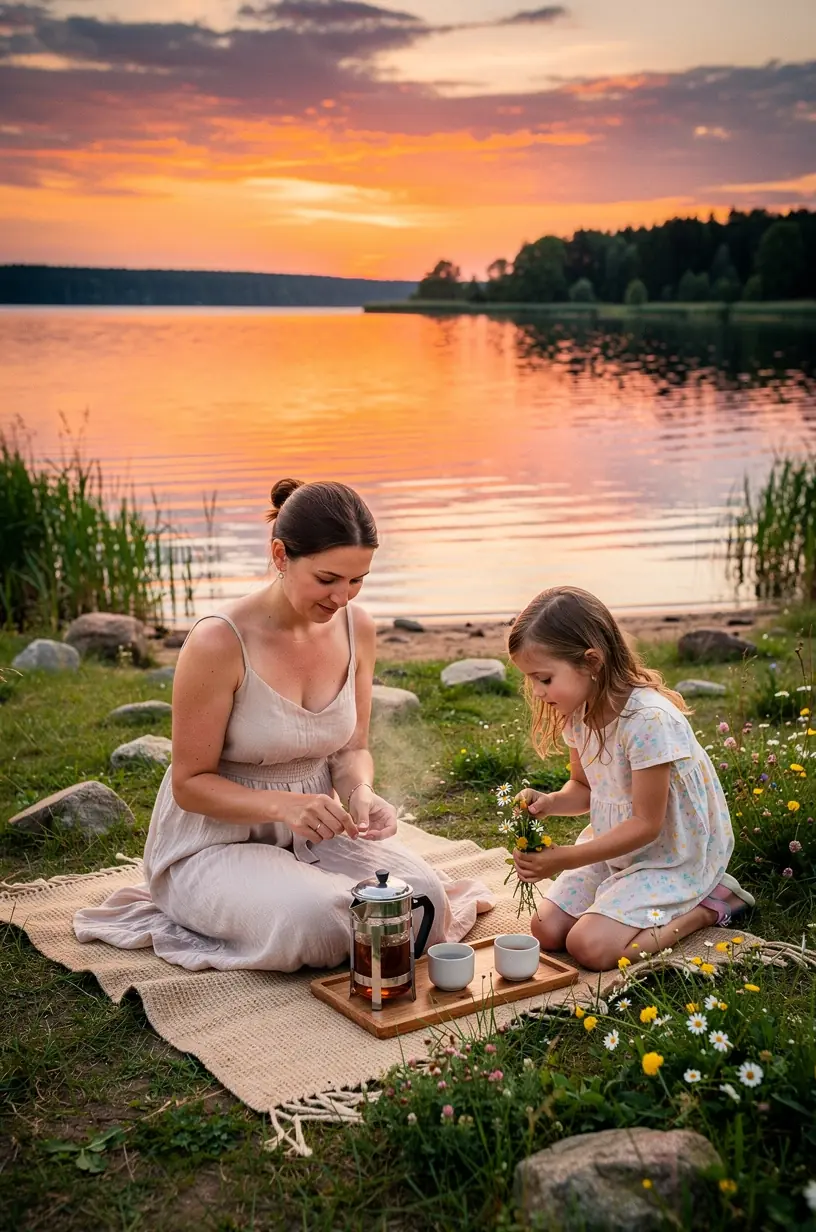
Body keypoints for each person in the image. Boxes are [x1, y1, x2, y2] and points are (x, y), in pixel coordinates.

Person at [74, 479, 494, 970]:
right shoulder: (219, 642)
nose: (342, 596)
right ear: (279, 555)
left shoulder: (357, 628)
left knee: (423, 899)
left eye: (357, 580)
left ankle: (311, 889)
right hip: (212, 841)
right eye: (327, 578)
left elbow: (351, 749)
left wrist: (360, 792)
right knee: (317, 920)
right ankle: (220, 902)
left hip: (314, 833)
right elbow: (189, 784)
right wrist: (285, 805)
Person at [506, 586, 754, 972]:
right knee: (546, 930)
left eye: (545, 679)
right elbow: (585, 789)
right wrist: (551, 801)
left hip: (668, 856)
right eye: (532, 681)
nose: (538, 692)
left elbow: (647, 824)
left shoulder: (649, 722)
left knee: (590, 948)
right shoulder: (578, 710)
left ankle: (710, 905)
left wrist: (566, 859)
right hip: (614, 851)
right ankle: (623, 900)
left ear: (591, 662)